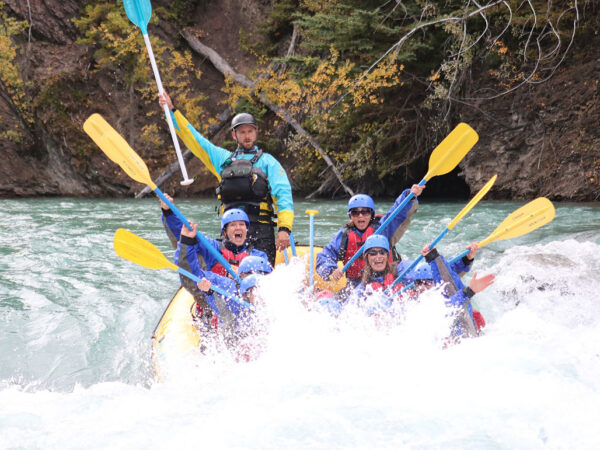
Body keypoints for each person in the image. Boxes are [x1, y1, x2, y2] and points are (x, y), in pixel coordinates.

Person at [158, 92, 294, 265]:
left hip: (262, 232)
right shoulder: (223, 160)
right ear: (234, 135)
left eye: (250, 131)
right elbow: (195, 140)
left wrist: (284, 229)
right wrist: (171, 111)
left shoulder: (268, 162)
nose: (247, 136)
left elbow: (283, 197)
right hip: (231, 233)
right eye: (242, 132)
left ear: (256, 133)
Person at [316, 187, 424, 296]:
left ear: (371, 214)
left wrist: (409, 195)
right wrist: (331, 270)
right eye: (355, 212)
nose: (360, 215)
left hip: (386, 278)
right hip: (356, 284)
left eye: (365, 212)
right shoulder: (344, 236)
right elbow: (324, 256)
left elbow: (396, 213)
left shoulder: (382, 229)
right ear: (351, 216)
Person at [421, 244, 494, 339]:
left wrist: (467, 258)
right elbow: (447, 309)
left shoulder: (440, 286)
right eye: (421, 282)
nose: (424, 286)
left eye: (429, 282)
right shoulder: (419, 304)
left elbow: (448, 272)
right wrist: (469, 291)